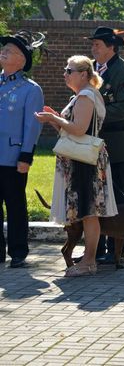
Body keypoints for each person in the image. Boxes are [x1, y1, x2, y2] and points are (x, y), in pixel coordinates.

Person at [35, 55, 118, 277]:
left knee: (89, 211)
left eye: (69, 70)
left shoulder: (86, 95)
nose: (65, 74)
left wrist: (54, 119)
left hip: (85, 162)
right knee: (85, 211)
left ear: (83, 74)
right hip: (80, 158)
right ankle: (89, 261)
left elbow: (79, 129)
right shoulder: (83, 95)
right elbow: (71, 131)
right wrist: (54, 118)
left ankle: (89, 262)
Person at [85, 26, 124, 262]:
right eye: (92, 44)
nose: (93, 49)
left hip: (116, 145)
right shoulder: (88, 69)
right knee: (93, 198)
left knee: (117, 198)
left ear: (111, 47)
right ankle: (94, 248)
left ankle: (116, 251)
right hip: (90, 145)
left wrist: (89, 113)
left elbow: (122, 109)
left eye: (97, 45)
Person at [0, 30, 46, 268]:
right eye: (3, 49)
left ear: (22, 59)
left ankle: (18, 252)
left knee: (15, 205)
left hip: (13, 156)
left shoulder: (30, 89)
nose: (3, 52)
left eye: (9, 50)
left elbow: (32, 126)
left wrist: (26, 156)